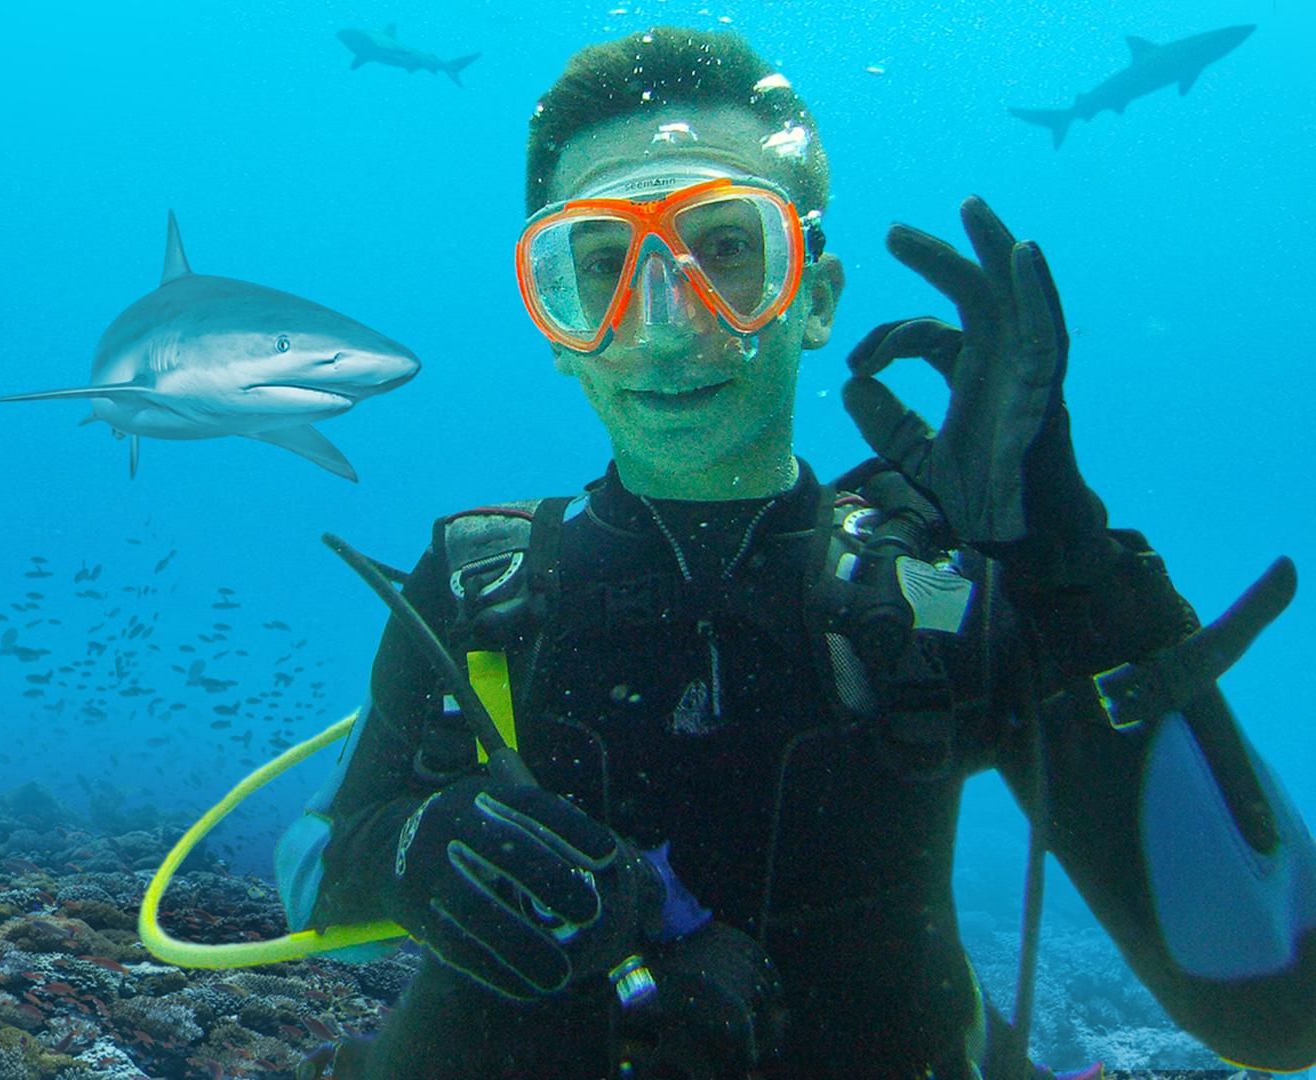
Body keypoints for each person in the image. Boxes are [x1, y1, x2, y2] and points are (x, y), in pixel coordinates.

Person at [274, 25, 1316, 1080]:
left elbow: (1282, 1009)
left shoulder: (943, 596)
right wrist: (405, 853)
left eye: (726, 247)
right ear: (557, 322)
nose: (669, 323)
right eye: (601, 266)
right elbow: (315, 858)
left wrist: (1080, 578)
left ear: (813, 294)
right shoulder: (477, 582)